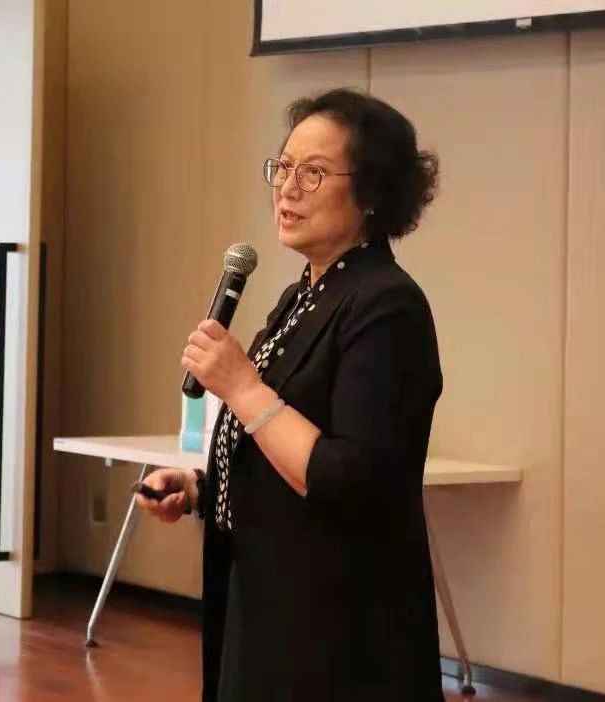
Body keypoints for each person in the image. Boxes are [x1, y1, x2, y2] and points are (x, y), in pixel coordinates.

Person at [136, 88, 444, 702]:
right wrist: (200, 488)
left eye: (314, 172)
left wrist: (241, 386)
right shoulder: (303, 297)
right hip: (269, 604)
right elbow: (280, 446)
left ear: (372, 193)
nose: (288, 188)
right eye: (283, 167)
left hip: (340, 634)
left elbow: (347, 478)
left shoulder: (387, 306)